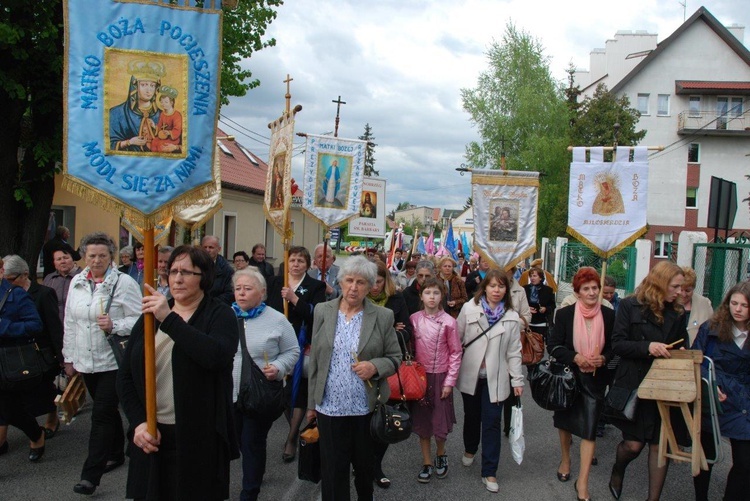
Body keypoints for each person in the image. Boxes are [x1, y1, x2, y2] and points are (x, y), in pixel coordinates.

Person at [117, 245, 240, 500]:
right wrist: (139, 422)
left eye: (186, 272)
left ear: (203, 277)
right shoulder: (150, 316)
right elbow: (126, 375)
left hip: (197, 437)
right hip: (151, 433)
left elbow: (215, 356)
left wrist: (170, 319)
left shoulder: (220, 314)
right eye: (173, 271)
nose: (177, 278)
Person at [306, 256, 402, 500]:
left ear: (370, 287)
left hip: (364, 408)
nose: (353, 287)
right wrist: (311, 405)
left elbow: (394, 357)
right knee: (333, 471)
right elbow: (316, 361)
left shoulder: (382, 316)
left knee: (363, 470)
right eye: (349, 280)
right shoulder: (323, 311)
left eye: (361, 282)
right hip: (329, 407)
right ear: (340, 282)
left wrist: (374, 366)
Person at [63, 232, 142, 495]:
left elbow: (141, 319)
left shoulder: (124, 283)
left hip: (112, 361)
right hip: (86, 361)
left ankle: (90, 476)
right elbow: (71, 323)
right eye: (92, 255)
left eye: (102, 256)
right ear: (84, 256)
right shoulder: (77, 282)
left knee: (100, 416)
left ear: (112, 257)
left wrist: (115, 325)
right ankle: (117, 454)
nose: (96, 261)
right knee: (106, 412)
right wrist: (69, 357)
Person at [608, 261, 688, 501]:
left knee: (658, 446)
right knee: (633, 445)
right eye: (676, 286)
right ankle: (618, 468)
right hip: (635, 384)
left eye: (682, 288)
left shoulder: (677, 311)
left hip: (664, 385)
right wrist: (648, 347)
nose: (680, 292)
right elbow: (618, 344)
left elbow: (682, 343)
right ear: (661, 283)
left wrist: (682, 350)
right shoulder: (629, 305)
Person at [231, 268, 299, 500]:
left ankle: (249, 491)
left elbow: (292, 351)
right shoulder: (226, 316)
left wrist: (279, 367)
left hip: (259, 395)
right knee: (240, 441)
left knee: (252, 443)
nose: (241, 293)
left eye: (248, 289)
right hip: (228, 393)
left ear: (262, 292)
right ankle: (255, 472)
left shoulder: (277, 319)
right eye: (238, 288)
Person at [548, 267, 615, 501]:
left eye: (595, 288)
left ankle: (583, 481)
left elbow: (614, 347)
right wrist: (574, 356)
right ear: (577, 293)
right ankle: (566, 459)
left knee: (589, 428)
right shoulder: (565, 314)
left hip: (595, 379)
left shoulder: (608, 315)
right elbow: (554, 346)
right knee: (565, 422)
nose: (592, 292)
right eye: (586, 289)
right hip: (569, 377)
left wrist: (604, 358)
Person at [456, 269, 523, 493]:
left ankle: (490, 471)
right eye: (492, 286)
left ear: (506, 290)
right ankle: (470, 448)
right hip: (471, 375)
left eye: (501, 286)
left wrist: (517, 380)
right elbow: (457, 339)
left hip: (497, 377)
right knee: (472, 416)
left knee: (493, 422)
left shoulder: (512, 316)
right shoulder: (469, 308)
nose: (496, 290)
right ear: (484, 287)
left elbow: (514, 351)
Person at [266, 246, 326, 463]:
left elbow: (316, 314)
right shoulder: (275, 282)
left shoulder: (315, 286)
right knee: (281, 394)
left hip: (302, 344)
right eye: (292, 260)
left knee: (298, 391)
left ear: (308, 264)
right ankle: (293, 425)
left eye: (301, 260)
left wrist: (294, 299)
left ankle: (291, 438)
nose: (296, 264)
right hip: (276, 342)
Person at [692, 282, 750, 501]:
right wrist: (709, 384)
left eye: (744, 305)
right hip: (713, 394)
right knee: (706, 456)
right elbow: (696, 360)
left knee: (745, 462)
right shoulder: (711, 327)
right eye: (734, 303)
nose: (738, 309)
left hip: (744, 399)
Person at [4, 255, 63, 438]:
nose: (8, 284)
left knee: (43, 391)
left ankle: (52, 418)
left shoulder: (44, 294)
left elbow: (54, 327)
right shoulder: (6, 295)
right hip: (13, 354)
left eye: (11, 279)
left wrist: (62, 358)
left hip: (40, 352)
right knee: (12, 397)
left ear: (25, 275)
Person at [411, 277, 462, 483]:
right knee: (423, 422)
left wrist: (450, 381)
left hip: (440, 376)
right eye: (427, 293)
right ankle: (426, 461)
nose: (432, 297)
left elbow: (455, 353)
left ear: (442, 296)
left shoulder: (449, 322)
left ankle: (441, 454)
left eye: (436, 293)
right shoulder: (414, 319)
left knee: (439, 421)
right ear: (421, 296)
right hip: (420, 377)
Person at [368, 260, 413, 488]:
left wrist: (389, 335)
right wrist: (388, 331)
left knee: (383, 420)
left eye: (379, 281)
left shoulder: (396, 299)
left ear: (386, 281)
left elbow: (407, 333)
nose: (374, 286)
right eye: (371, 281)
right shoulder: (359, 301)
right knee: (363, 422)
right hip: (363, 367)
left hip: (388, 368)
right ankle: (362, 464)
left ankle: (376, 465)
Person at [0, 256, 45, 460]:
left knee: (6, 410)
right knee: (10, 410)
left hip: (8, 362)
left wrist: (5, 327)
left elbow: (35, 325)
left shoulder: (16, 294)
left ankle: (36, 434)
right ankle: (36, 433)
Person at [109, 60, 164, 152]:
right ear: (135, 87)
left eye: (152, 85)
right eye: (144, 85)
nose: (148, 90)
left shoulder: (162, 114)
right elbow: (108, 145)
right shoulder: (117, 113)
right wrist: (129, 142)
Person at [43, 248, 83, 325]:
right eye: (58, 259)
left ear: (73, 260)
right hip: (54, 326)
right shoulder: (49, 279)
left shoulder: (83, 277)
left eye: (66, 258)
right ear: (54, 263)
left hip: (77, 324)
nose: (62, 261)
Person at [681, 266, 714, 345]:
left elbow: (712, 329)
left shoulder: (705, 304)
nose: (683, 294)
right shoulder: (668, 302)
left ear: (694, 288)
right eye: (681, 290)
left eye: (688, 290)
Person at [523, 266, 556, 342]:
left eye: (535, 276)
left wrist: (545, 309)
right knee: (527, 349)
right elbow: (520, 304)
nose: (532, 278)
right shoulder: (525, 289)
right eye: (531, 276)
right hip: (527, 322)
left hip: (541, 323)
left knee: (538, 347)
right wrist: (527, 308)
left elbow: (552, 305)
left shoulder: (548, 290)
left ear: (540, 278)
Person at [201, 235, 234, 305]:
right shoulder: (195, 266)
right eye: (205, 247)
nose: (207, 250)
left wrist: (209, 303)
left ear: (219, 249)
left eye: (211, 247)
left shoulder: (227, 270)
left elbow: (230, 294)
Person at [149, 85, 182, 153]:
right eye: (162, 102)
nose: (163, 104)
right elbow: (160, 126)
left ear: (171, 103)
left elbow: (177, 129)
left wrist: (169, 133)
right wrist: (154, 126)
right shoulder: (162, 114)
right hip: (162, 136)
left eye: (166, 102)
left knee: (162, 146)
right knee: (154, 142)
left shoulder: (176, 115)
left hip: (173, 139)